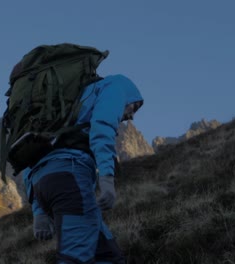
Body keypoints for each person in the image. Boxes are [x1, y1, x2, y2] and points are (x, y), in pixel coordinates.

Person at [22, 73, 144, 264]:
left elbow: (28, 157)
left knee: (108, 257)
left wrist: (38, 211)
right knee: (74, 259)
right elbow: (102, 128)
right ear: (130, 94)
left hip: (44, 185)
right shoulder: (117, 85)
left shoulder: (66, 109)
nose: (132, 116)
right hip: (69, 180)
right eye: (135, 106)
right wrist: (106, 179)